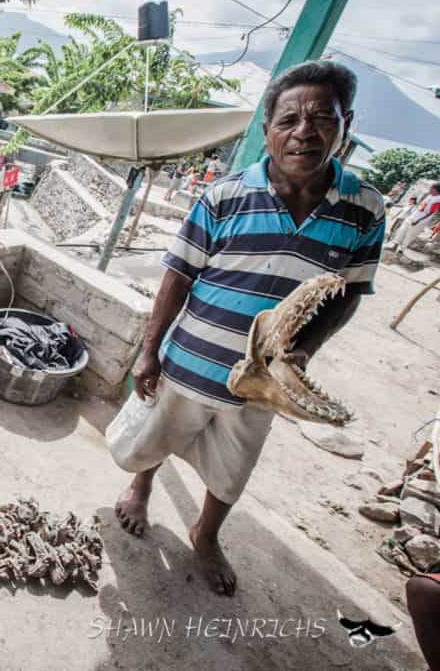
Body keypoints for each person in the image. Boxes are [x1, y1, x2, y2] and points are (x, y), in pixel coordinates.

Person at [106, 60, 385, 596]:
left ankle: (206, 533)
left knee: (234, 464)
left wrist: (300, 353)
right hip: (191, 359)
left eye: (320, 118)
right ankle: (141, 487)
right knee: (157, 433)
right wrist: (150, 351)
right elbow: (177, 274)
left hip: (265, 383)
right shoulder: (224, 196)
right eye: (288, 120)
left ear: (345, 124)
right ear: (267, 131)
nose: (303, 132)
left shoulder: (365, 209)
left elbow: (349, 292)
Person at [388, 182, 440, 254]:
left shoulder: (438, 199)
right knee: (402, 230)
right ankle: (394, 246)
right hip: (414, 215)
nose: (430, 189)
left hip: (421, 220)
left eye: (431, 188)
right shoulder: (430, 196)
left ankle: (401, 250)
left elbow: (430, 212)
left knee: (410, 234)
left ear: (435, 190)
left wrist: (419, 220)